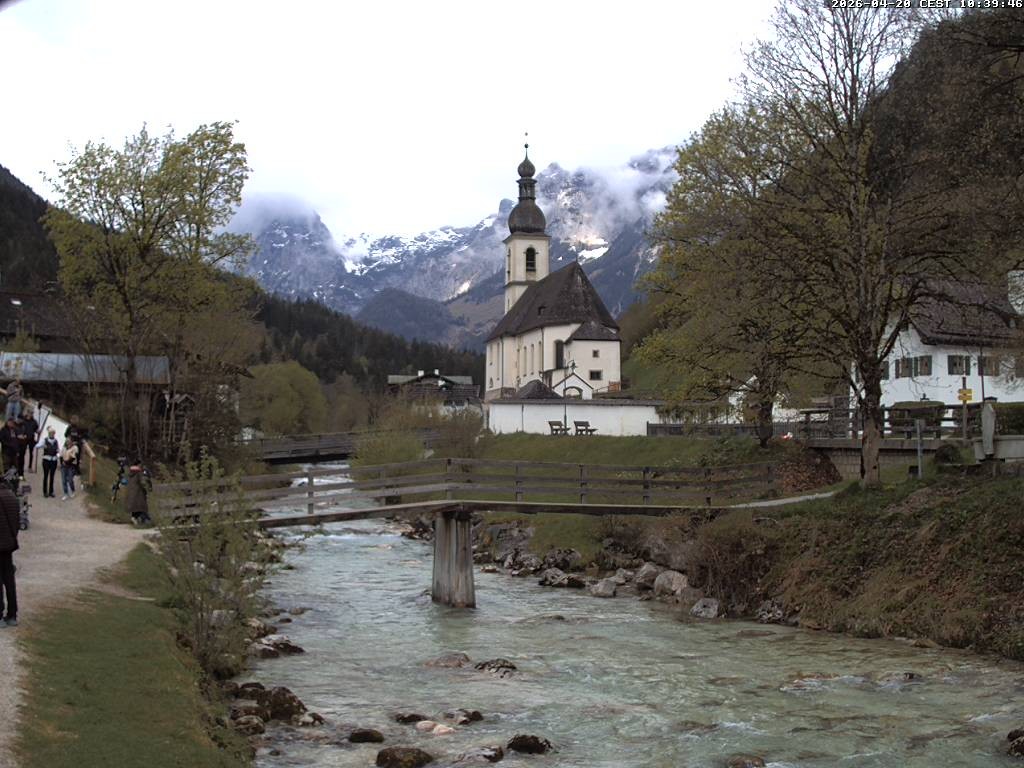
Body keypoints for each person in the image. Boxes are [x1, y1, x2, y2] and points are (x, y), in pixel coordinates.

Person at [0, 481, 19, 627]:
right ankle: (12, 614)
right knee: (9, 581)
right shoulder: (12, 496)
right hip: (9, 544)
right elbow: (16, 522)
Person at [18, 408, 38, 475]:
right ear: (27, 413)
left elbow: (36, 429)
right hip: (24, 438)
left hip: (31, 438)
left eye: (32, 413)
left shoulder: (34, 422)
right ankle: (21, 466)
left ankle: (30, 467)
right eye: (29, 413)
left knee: (31, 453)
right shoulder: (23, 420)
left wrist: (38, 431)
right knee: (22, 452)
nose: (30, 414)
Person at [40, 427, 59, 498]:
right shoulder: (45, 440)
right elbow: (38, 445)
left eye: (53, 433)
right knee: (45, 476)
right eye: (51, 433)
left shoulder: (56, 441)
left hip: (53, 460)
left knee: (52, 476)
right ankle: (45, 491)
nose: (52, 434)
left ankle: (51, 491)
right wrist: (43, 446)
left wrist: (58, 455)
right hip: (46, 460)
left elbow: (57, 450)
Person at [60, 437, 78, 501]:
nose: (68, 442)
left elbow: (73, 457)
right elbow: (61, 456)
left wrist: (66, 462)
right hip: (64, 466)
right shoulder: (64, 448)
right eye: (67, 441)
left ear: (71, 441)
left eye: (69, 441)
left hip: (71, 465)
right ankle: (66, 493)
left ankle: (73, 490)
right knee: (64, 480)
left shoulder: (74, 448)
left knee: (70, 479)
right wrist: (61, 463)